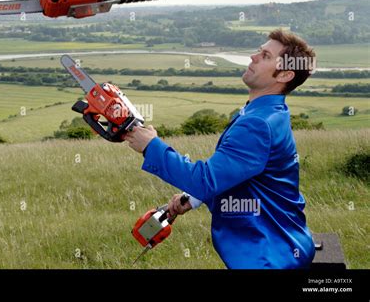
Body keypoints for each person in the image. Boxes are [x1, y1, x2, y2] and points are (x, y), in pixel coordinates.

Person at [125, 29, 317, 269]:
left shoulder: (258, 124)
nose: (253, 56)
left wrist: (151, 146)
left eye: (265, 56)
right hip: (282, 247)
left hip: (268, 257)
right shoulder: (266, 112)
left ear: (285, 74)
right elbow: (238, 174)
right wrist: (193, 199)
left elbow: (206, 179)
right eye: (259, 50)